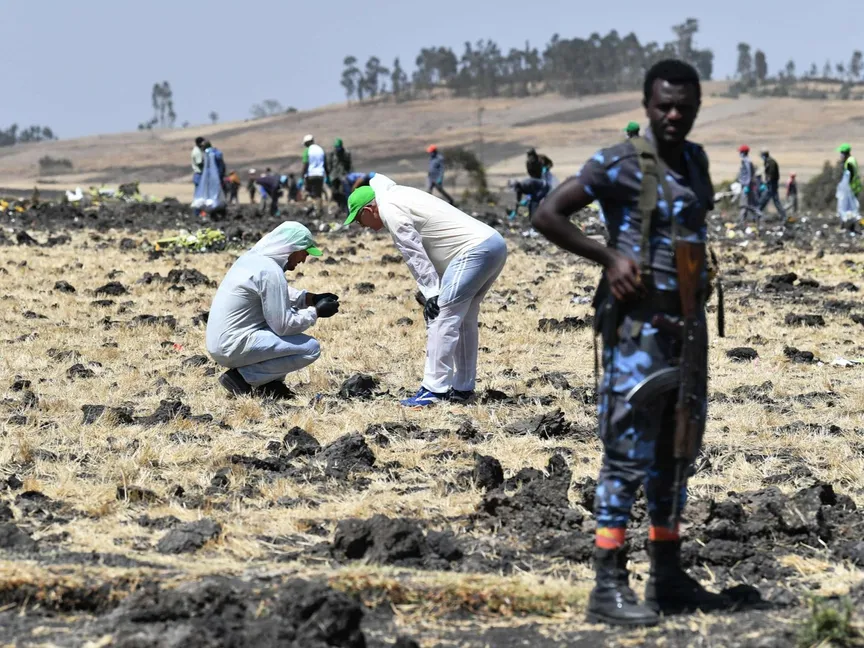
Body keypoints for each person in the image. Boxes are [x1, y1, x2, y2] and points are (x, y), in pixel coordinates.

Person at [531, 59, 729, 627]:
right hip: (637, 331)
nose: (674, 115)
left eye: (684, 107)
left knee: (677, 449)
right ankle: (608, 582)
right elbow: (547, 214)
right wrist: (609, 257)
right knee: (625, 455)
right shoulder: (619, 163)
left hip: (687, 330)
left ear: (697, 107)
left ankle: (667, 575)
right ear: (646, 107)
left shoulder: (696, 161)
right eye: (664, 106)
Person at [345, 173, 507, 407]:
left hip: (474, 251)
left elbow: (412, 251)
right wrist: (433, 288)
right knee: (464, 318)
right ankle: (463, 388)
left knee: (441, 317)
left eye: (360, 221)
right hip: (493, 244)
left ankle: (434, 390)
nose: (363, 227)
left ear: (369, 210)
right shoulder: (399, 195)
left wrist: (432, 292)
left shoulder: (389, 207)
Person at [206, 222, 339, 399]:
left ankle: (269, 385)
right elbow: (283, 326)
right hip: (233, 345)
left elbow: (275, 292)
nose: (304, 259)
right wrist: (316, 312)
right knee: (310, 348)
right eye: (304, 252)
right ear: (292, 248)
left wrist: (311, 299)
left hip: (221, 343)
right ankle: (242, 378)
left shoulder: (254, 260)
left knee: (278, 335)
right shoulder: (271, 271)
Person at [302, 134, 329, 213]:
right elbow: (325, 164)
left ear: (307, 143)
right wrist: (328, 175)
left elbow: (305, 164)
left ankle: (313, 208)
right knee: (318, 194)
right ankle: (318, 211)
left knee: (310, 192)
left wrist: (302, 176)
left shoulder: (307, 150)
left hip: (310, 175)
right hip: (320, 175)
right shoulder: (320, 150)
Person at [757, 149, 786, 220]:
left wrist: (767, 182)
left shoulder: (771, 162)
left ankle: (757, 212)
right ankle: (758, 212)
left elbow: (771, 174)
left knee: (768, 199)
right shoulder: (768, 161)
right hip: (771, 184)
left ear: (764, 155)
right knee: (771, 200)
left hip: (772, 184)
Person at [329, 138, 353, 212]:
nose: (337, 149)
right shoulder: (332, 154)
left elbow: (349, 164)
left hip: (343, 174)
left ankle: (344, 207)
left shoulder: (346, 153)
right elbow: (330, 164)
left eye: (339, 147)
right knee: (334, 192)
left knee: (344, 191)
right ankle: (339, 204)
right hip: (334, 175)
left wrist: (349, 174)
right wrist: (329, 174)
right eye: (336, 147)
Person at [737, 144, 759, 224]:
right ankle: (756, 218)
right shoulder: (747, 161)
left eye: (740, 152)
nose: (739, 153)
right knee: (749, 203)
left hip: (746, 186)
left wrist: (746, 185)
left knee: (744, 204)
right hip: (748, 185)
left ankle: (742, 222)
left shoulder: (746, 161)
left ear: (743, 152)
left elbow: (749, 174)